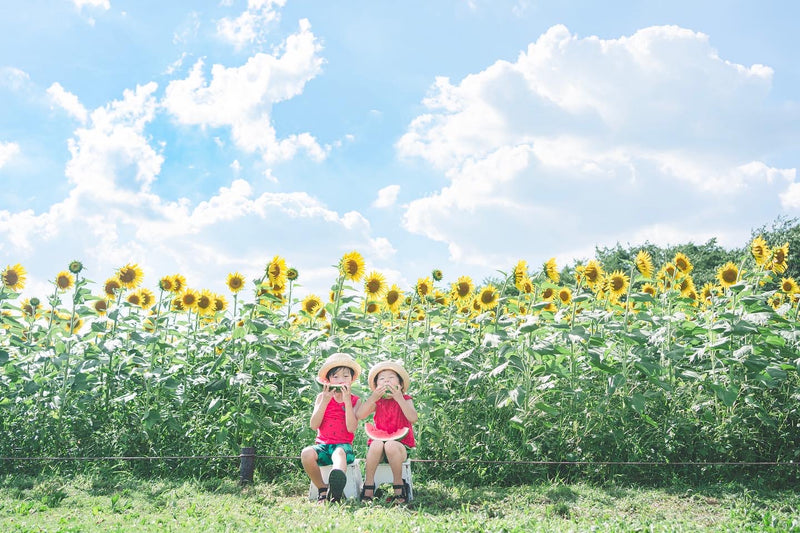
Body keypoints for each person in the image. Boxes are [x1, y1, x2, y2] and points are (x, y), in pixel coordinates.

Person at [300, 352, 362, 503]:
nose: (341, 380)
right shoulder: (321, 398)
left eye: (346, 376)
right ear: (327, 380)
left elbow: (351, 428)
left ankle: (336, 489)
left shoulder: (355, 400)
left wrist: (347, 402)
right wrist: (325, 402)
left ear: (352, 379)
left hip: (344, 447)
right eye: (336, 377)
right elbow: (314, 425)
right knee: (306, 453)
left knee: (339, 453)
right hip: (323, 446)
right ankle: (323, 488)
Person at [357, 360, 418, 503]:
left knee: (390, 445)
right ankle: (369, 485)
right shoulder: (377, 401)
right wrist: (373, 397)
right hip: (378, 448)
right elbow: (360, 415)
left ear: (400, 384)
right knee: (376, 444)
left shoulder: (406, 399)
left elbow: (413, 418)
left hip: (400, 446)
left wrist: (399, 398)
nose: (386, 381)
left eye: (391, 378)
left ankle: (399, 486)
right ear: (377, 386)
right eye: (382, 379)